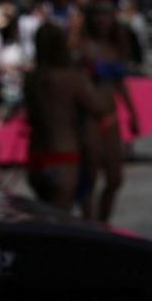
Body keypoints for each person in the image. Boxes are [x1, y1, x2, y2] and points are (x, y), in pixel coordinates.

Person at [24, 23, 109, 212]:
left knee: (45, 216)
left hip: (36, 156)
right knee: (60, 221)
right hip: (63, 155)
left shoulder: (31, 79)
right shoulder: (71, 78)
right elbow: (99, 108)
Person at [79, 1, 140, 222]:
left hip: (110, 116)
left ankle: (103, 221)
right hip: (90, 118)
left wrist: (133, 112)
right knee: (91, 175)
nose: (102, 20)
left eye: (106, 15)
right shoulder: (83, 48)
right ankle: (90, 221)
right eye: (98, 15)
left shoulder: (115, 47)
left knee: (115, 178)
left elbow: (121, 84)